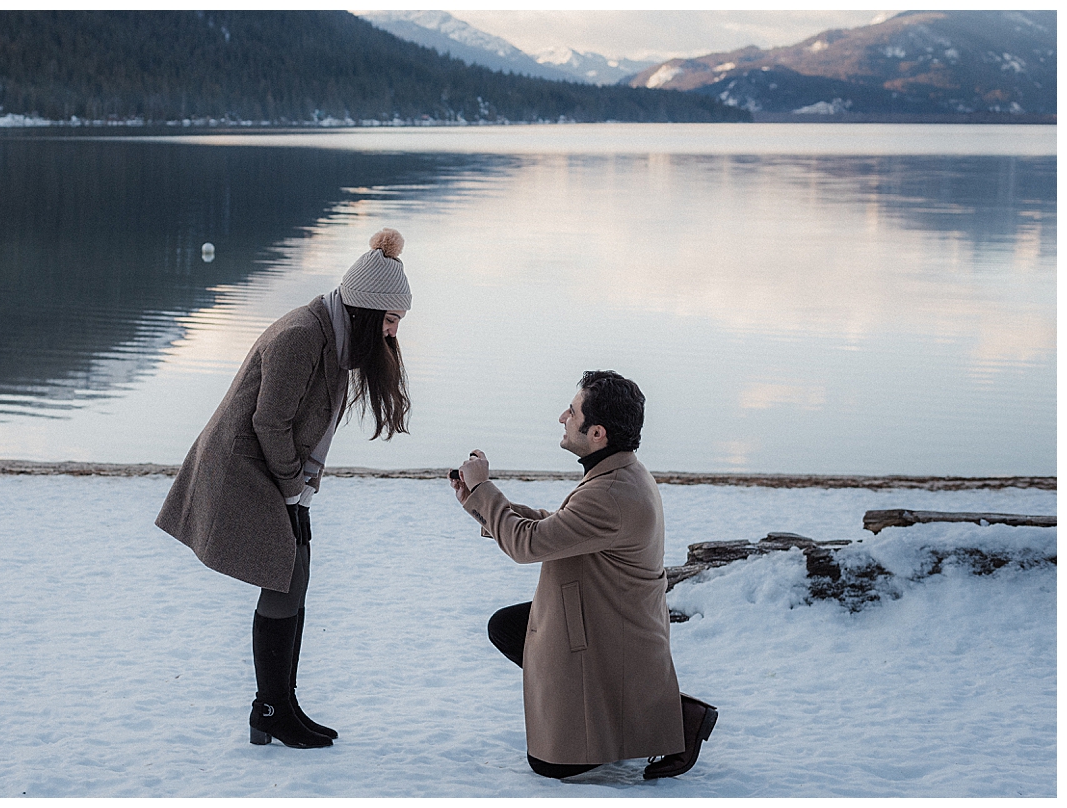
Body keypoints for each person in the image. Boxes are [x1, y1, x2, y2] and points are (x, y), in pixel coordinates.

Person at [157, 228, 412, 750]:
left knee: (295, 574)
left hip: (273, 467)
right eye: (389, 322)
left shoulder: (335, 334)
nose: (391, 335)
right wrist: (293, 488)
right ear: (364, 311)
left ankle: (280, 704)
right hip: (243, 466)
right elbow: (270, 422)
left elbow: (305, 424)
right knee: (283, 576)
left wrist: (302, 488)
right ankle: (270, 709)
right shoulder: (303, 335)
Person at [450, 370, 717, 780]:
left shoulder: (611, 492)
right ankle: (629, 714)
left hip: (611, 632)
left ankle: (678, 717)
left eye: (571, 412)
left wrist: (486, 489)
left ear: (596, 433)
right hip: (601, 618)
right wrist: (479, 504)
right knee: (508, 627)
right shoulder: (616, 473)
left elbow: (529, 545)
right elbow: (557, 527)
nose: (562, 417)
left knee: (548, 766)